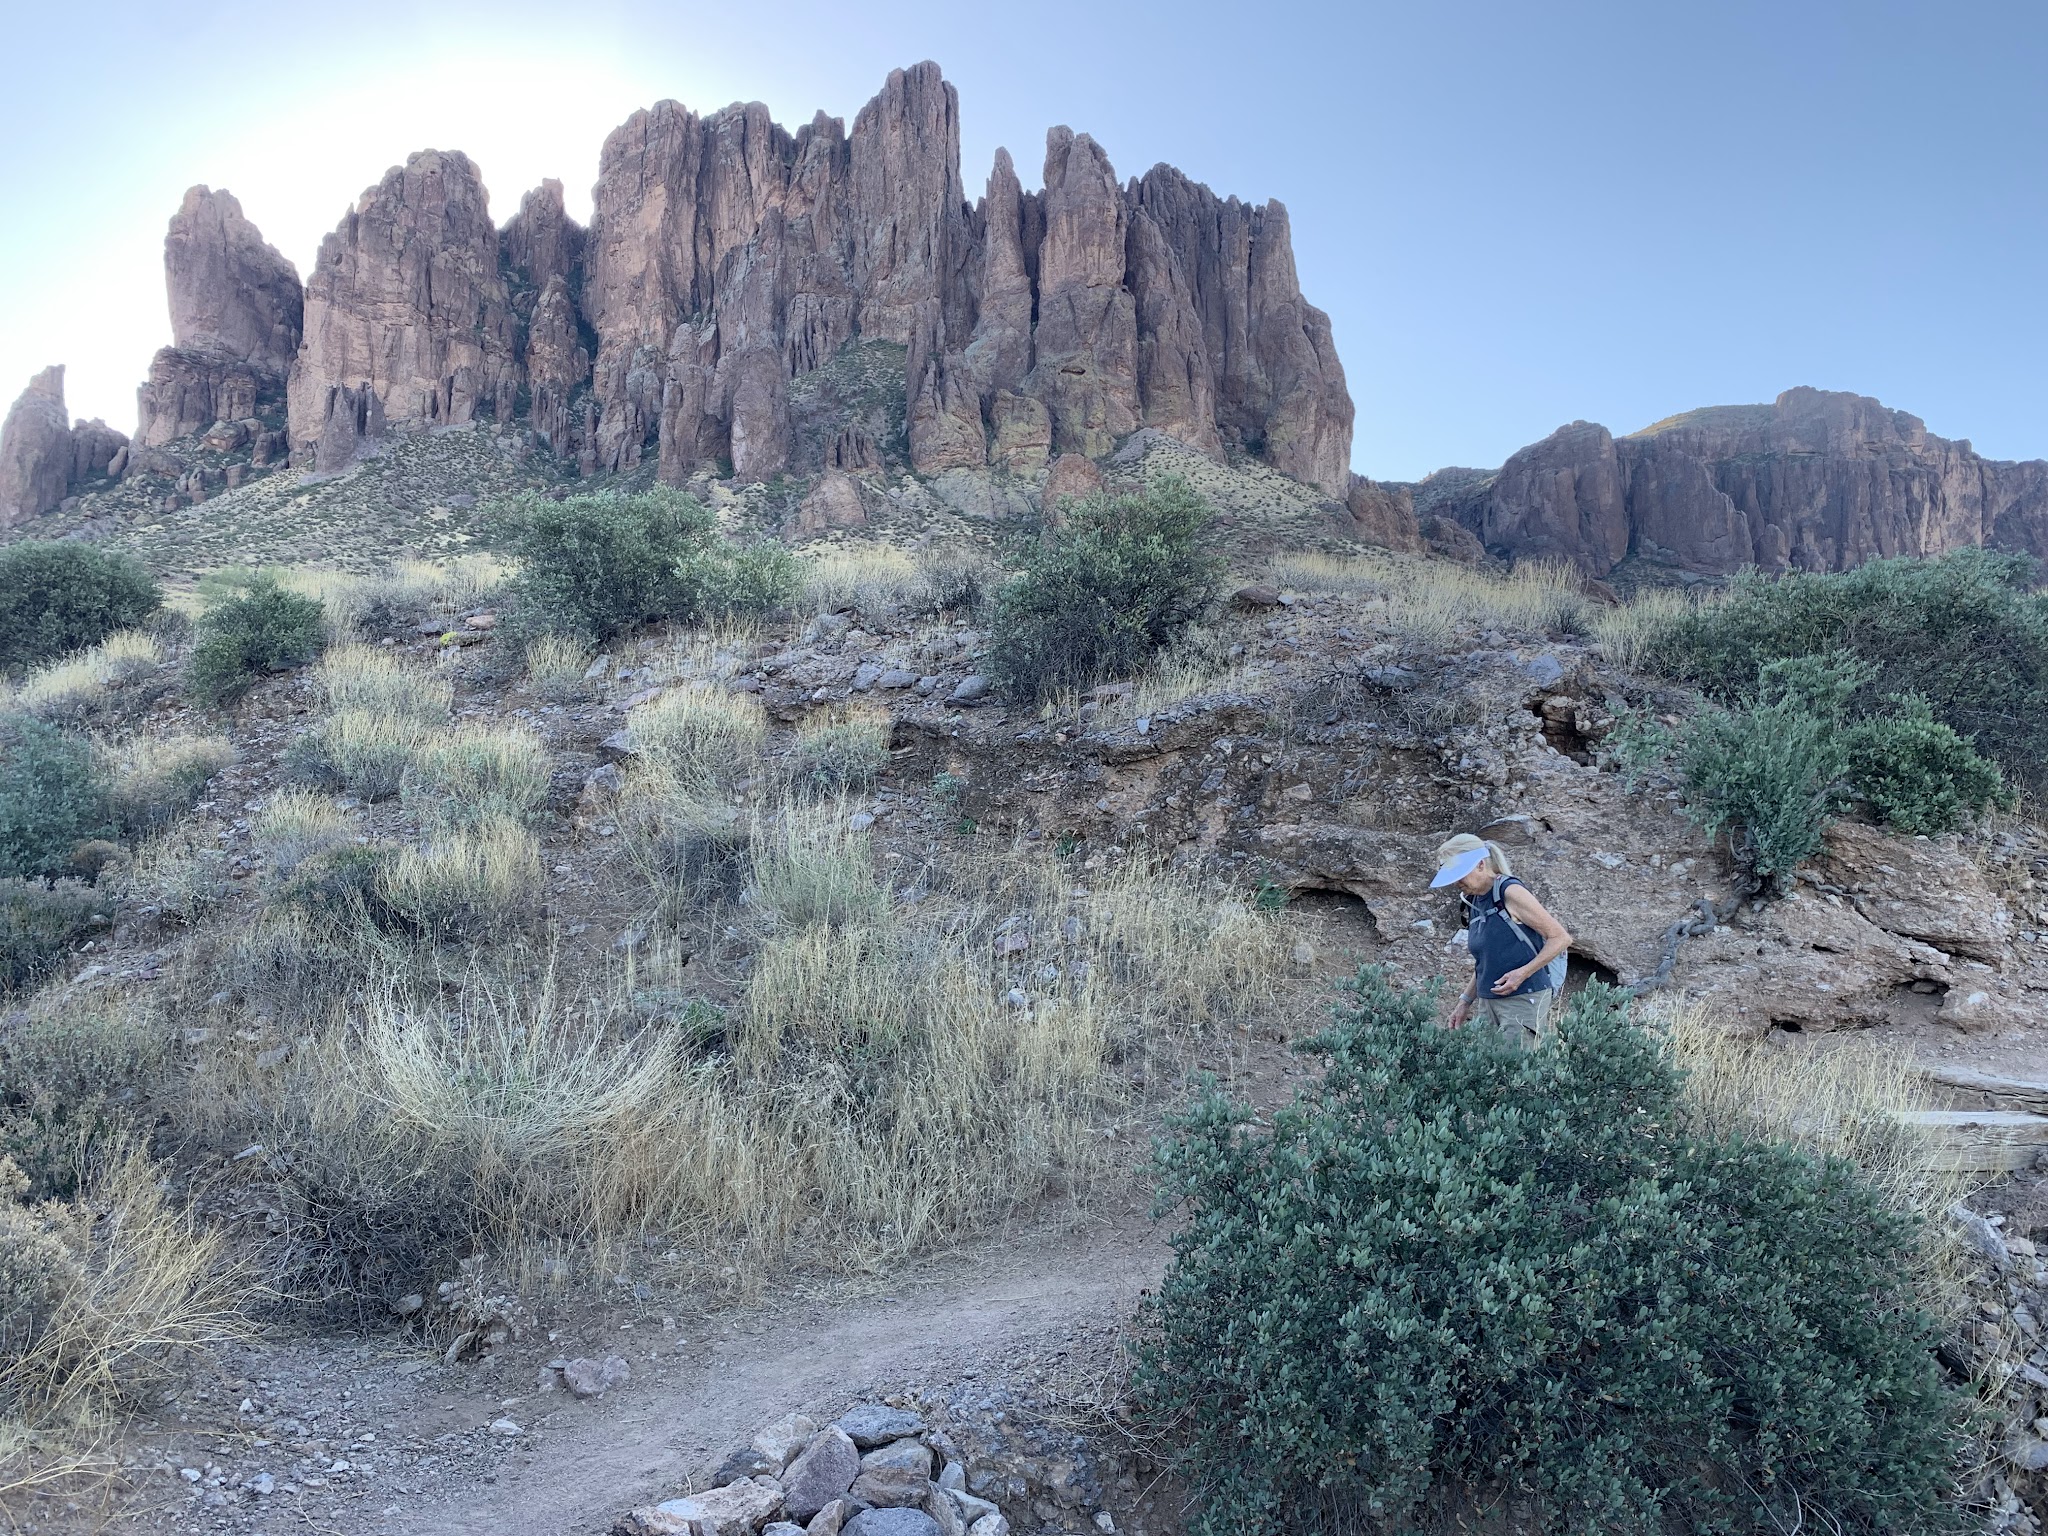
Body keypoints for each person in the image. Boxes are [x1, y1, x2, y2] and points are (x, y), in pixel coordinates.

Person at [1430, 833, 1572, 1052]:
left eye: (1460, 874)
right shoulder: (1475, 901)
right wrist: (1464, 1002)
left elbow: (1560, 938)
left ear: (1480, 864)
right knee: (1488, 1073)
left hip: (1524, 998)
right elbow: (1486, 961)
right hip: (1489, 1002)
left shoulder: (1509, 891)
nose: (1457, 882)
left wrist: (1522, 973)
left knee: (1514, 1074)